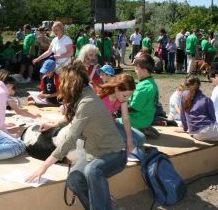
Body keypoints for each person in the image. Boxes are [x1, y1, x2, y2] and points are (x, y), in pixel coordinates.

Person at [26, 61, 127, 209]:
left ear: (72, 84)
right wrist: (54, 125)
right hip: (94, 153)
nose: (61, 86)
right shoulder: (84, 95)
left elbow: (70, 140)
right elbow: (74, 119)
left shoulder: (88, 101)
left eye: (63, 83)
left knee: (92, 171)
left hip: (114, 153)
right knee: (74, 180)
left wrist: (44, 166)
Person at [96, 74, 146, 150]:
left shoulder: (122, 98)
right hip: (100, 128)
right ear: (116, 88)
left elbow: (125, 118)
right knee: (130, 143)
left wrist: (130, 139)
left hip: (113, 124)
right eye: (125, 95)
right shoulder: (101, 98)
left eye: (129, 96)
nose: (127, 98)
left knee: (141, 138)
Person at [123, 53, 159, 130]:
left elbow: (133, 108)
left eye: (136, 67)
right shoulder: (150, 82)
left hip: (138, 120)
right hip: (146, 118)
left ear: (143, 69)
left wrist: (117, 108)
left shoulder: (144, 87)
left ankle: (139, 130)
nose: (135, 70)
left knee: (110, 121)